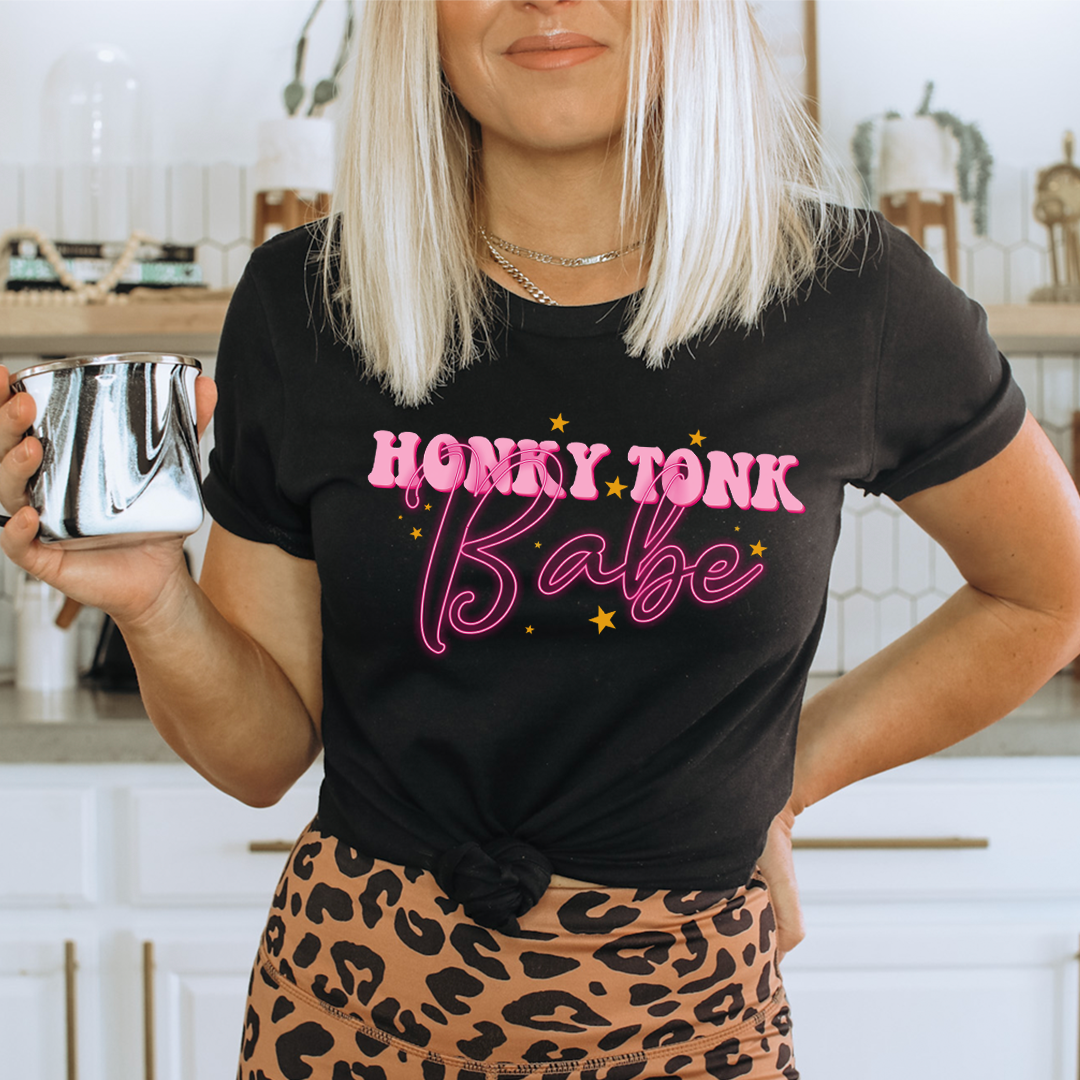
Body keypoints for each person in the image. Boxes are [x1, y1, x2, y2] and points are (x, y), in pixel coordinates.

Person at [4, 2, 1080, 1077]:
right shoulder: (310, 299)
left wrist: (783, 781)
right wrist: (156, 600)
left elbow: (1050, 592)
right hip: (348, 1009)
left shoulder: (851, 295)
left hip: (684, 1023)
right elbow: (260, 756)